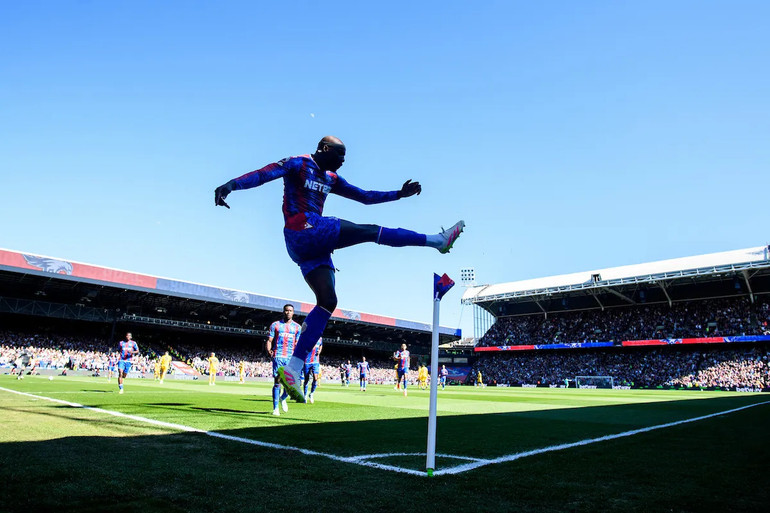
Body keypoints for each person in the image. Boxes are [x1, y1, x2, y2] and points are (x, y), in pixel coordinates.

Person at [214, 136, 465, 402]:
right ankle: (437, 241)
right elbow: (264, 174)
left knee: (328, 302)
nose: (343, 161)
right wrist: (231, 185)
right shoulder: (298, 164)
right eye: (340, 155)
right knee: (369, 231)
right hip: (303, 228)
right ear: (324, 149)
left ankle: (293, 368)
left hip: (308, 247)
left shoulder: (331, 178)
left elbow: (364, 197)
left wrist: (398, 194)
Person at [266, 304, 301, 416]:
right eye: (286, 310)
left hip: (291, 358)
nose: (288, 312)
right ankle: (275, 408)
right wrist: (269, 350)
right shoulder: (275, 325)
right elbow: (269, 340)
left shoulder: (297, 327)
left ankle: (283, 398)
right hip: (279, 356)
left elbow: (298, 344)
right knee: (277, 382)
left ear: (293, 312)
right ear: (283, 311)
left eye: (290, 310)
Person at [303, 338, 323, 404]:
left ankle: (311, 393)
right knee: (306, 379)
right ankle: (305, 395)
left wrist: (319, 350)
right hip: (307, 361)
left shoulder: (320, 338)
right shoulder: (307, 337)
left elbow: (321, 345)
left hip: (315, 361)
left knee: (315, 378)